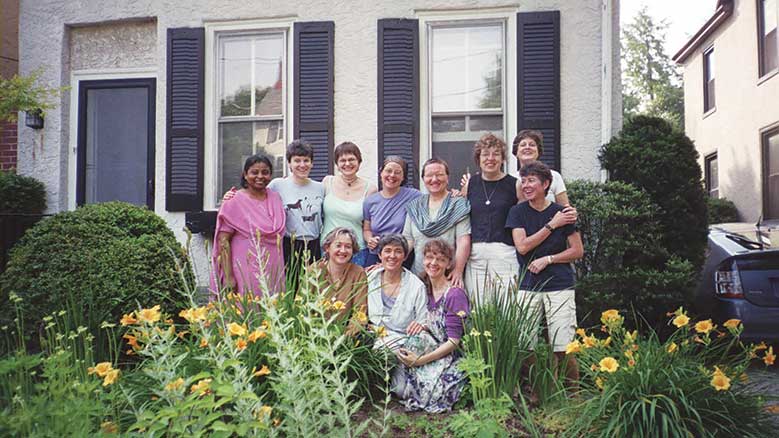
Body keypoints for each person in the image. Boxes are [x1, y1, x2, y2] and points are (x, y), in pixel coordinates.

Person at [506, 160, 583, 386]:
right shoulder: (517, 212)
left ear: (546, 183)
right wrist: (552, 225)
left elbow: (577, 250)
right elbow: (522, 246)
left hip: (559, 284)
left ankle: (571, 395)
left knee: (563, 344)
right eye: (524, 180)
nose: (526, 185)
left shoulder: (563, 213)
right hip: (528, 285)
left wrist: (549, 259)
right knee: (525, 342)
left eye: (531, 180)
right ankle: (537, 390)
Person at [394, 239, 469, 413]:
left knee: (434, 393)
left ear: (448, 264)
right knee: (401, 381)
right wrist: (423, 326)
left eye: (440, 259)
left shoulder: (454, 294)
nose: (433, 263)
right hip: (432, 343)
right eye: (429, 257)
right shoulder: (423, 288)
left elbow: (453, 341)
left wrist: (420, 361)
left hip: (451, 353)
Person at [211, 154, 286, 297]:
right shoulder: (233, 201)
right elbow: (223, 240)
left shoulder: (275, 198)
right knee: (245, 309)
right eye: (254, 172)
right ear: (245, 175)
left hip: (273, 267)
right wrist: (228, 276)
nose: (260, 176)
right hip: (245, 266)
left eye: (265, 172)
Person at [461, 134, 520, 302]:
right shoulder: (470, 184)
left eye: (496, 154)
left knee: (508, 305)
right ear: (478, 158)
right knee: (479, 307)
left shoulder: (515, 184)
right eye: (485, 154)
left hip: (505, 253)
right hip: (476, 255)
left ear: (503, 158)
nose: (490, 158)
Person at [403, 158, 471, 288]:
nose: (434, 179)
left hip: (448, 276)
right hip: (418, 276)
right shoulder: (415, 207)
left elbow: (463, 241)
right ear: (423, 179)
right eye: (429, 175)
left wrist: (457, 271)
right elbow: (408, 240)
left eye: (439, 175)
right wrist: (392, 260)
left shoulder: (457, 204)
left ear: (447, 177)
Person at [268, 140, 325, 266]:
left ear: (312, 163)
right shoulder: (277, 185)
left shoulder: (320, 187)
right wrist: (232, 197)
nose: (302, 165)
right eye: (297, 160)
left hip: (314, 245)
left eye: (306, 160)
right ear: (289, 163)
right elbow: (256, 198)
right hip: (289, 245)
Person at [367, 234, 428, 349]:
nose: (392, 256)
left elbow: (422, 320)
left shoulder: (416, 286)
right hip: (371, 337)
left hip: (402, 341)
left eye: (398, 251)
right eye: (387, 251)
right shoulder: (370, 278)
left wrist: (420, 326)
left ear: (405, 256)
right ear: (380, 255)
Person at [321, 142, 378, 267]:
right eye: (343, 160)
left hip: (356, 251)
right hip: (328, 250)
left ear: (359, 162)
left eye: (352, 159)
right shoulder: (327, 182)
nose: (347, 164)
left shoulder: (370, 189)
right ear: (337, 164)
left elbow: (369, 224)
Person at [363, 156, 422, 267]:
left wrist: (456, 193)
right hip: (376, 254)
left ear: (403, 177)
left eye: (397, 172)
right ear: (381, 173)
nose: (392, 175)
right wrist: (370, 239)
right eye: (388, 171)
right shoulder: (370, 201)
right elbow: (366, 229)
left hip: (401, 255)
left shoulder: (414, 196)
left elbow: (435, 197)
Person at [317, 227, 369, 334]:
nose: (343, 250)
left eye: (348, 247)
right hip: (316, 334)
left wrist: (344, 339)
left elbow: (360, 313)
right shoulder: (314, 271)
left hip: (346, 337)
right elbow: (302, 307)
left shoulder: (358, 273)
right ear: (327, 248)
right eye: (338, 245)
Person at [513, 129, 570, 205]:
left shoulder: (554, 176)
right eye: (523, 145)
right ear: (516, 152)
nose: (527, 147)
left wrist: (571, 213)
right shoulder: (511, 179)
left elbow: (565, 209)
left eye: (532, 145)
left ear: (538, 151)